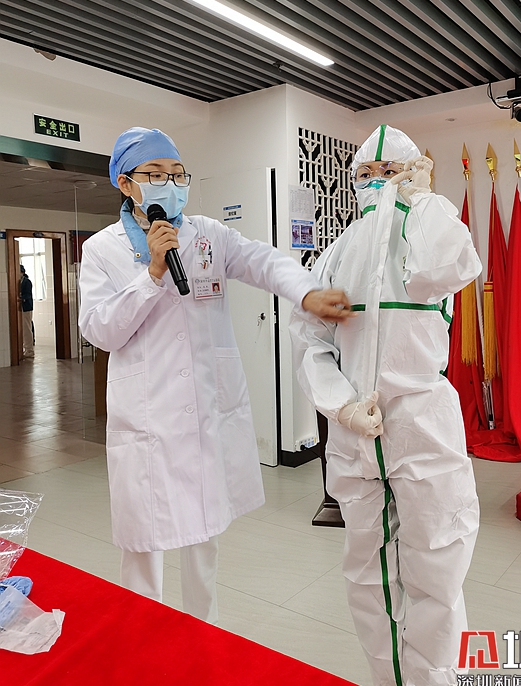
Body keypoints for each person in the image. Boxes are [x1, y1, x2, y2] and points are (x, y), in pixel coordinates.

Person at [78, 127, 353, 623]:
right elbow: (100, 330)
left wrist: (305, 290)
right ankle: (143, 636)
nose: (170, 183)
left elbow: (262, 261)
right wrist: (152, 275)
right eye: (155, 174)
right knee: (143, 543)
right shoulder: (102, 249)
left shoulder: (208, 235)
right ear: (125, 183)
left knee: (203, 536)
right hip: (146, 418)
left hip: (203, 409)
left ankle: (201, 634)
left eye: (177, 173)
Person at [289, 125, 482, 686]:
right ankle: (387, 682)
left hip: (422, 423)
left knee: (436, 558)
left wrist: (423, 201)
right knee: (366, 569)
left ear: (413, 172)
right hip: (356, 433)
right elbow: (311, 341)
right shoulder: (336, 252)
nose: (377, 184)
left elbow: (444, 269)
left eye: (390, 172)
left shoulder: (430, 234)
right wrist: (340, 405)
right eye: (367, 176)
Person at [19, 265, 34, 359]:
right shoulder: (19, 282)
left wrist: (21, 298)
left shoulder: (27, 282)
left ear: (22, 272)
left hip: (26, 308)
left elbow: (27, 295)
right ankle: (25, 349)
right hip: (21, 308)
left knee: (26, 329)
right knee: (23, 329)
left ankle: (29, 350)